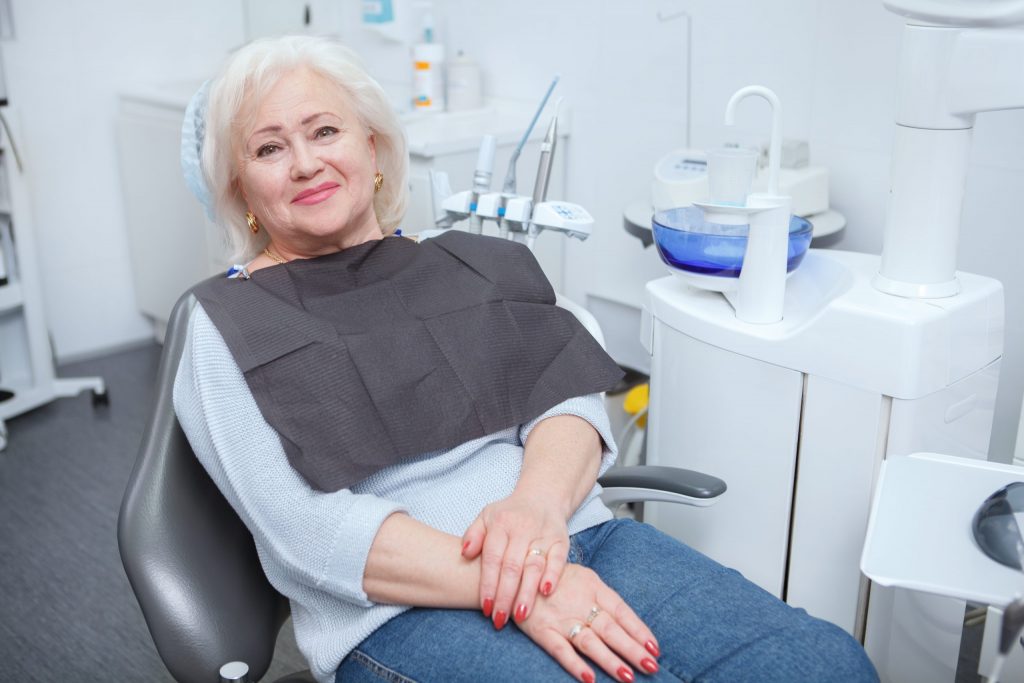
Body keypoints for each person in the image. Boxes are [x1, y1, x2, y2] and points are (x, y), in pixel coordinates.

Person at [173, 34, 878, 683]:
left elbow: (566, 396)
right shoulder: (228, 322)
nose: (305, 162)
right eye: (268, 149)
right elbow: (308, 533)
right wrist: (518, 580)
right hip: (397, 608)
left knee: (822, 663)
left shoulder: (470, 262)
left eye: (324, 130)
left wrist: (538, 512)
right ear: (240, 190)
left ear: (373, 144)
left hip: (579, 536)